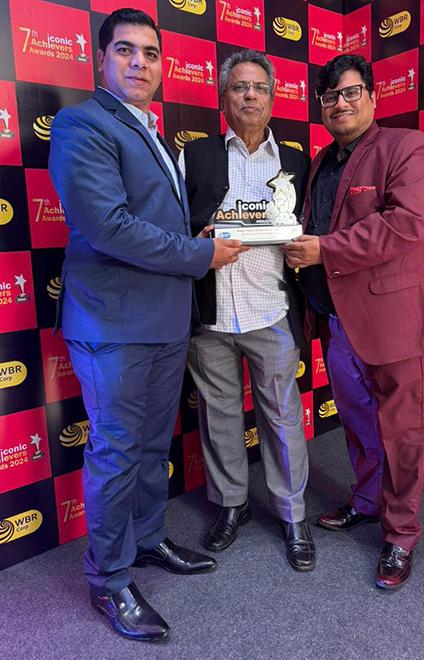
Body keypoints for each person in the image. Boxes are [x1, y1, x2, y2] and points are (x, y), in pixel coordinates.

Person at [48, 8, 246, 642]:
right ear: (100, 59)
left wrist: (196, 238)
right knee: (116, 453)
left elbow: (149, 220)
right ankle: (109, 580)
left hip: (163, 321)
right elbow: (107, 226)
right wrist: (198, 254)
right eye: (125, 50)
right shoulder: (83, 123)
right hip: (114, 324)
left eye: (151, 52)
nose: (140, 62)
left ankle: (147, 539)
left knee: (153, 447)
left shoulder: (150, 128)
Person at [283, 54, 424, 589]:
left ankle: (401, 534)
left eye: (351, 92)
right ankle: (369, 500)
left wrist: (323, 249)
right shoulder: (322, 162)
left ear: (372, 97)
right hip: (336, 322)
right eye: (330, 97)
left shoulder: (406, 146)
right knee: (357, 423)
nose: (341, 104)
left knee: (403, 431)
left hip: (391, 322)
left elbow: (407, 223)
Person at [179, 49, 315, 572]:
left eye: (259, 87)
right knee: (218, 415)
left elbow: (311, 229)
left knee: (282, 417)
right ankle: (231, 504)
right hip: (211, 314)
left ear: (274, 97)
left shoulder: (297, 161)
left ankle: (293, 515)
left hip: (271, 309)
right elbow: (173, 230)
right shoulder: (195, 156)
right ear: (223, 98)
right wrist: (197, 242)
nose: (250, 96)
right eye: (239, 87)